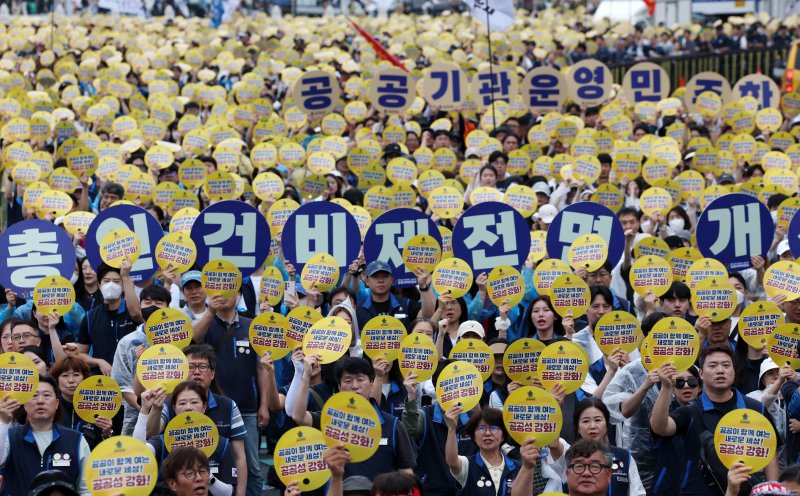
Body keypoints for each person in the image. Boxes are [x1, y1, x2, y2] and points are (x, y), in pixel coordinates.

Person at [651, 347, 780, 494]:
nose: (720, 370)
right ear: (701, 373)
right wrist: (666, 388)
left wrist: (772, 490)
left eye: (726, 365)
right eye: (712, 366)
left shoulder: (756, 409)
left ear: (734, 370)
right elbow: (660, 427)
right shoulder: (690, 411)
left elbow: (770, 455)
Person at [291, 356, 416, 480]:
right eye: (348, 381)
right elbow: (299, 416)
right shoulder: (329, 419)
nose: (355, 386)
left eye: (360, 379)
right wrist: (306, 376)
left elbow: (406, 473)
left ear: (371, 383)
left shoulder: (393, 425)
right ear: (339, 388)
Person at [192, 290, 268, 496]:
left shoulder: (251, 326)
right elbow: (192, 339)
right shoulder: (206, 323)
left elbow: (261, 367)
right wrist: (211, 311)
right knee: (211, 463)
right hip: (213, 407)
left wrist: (263, 405)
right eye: (218, 291)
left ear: (239, 295)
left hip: (247, 408)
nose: (223, 295)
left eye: (230, 290)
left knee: (252, 468)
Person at [135, 382, 237, 495]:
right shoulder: (163, 441)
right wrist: (144, 410)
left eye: (194, 402)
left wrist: (206, 477)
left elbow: (228, 492)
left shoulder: (221, 443)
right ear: (174, 408)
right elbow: (139, 454)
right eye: (182, 403)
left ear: (204, 407)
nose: (188, 408)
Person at [0, 376, 91, 494]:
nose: (40, 401)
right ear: (25, 405)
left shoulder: (76, 440)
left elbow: (86, 489)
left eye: (47, 395)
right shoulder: (10, 437)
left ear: (57, 404)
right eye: (34, 395)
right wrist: (3, 421)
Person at [549, 398, 645, 495]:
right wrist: (553, 409)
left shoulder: (624, 456)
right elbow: (553, 444)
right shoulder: (569, 455)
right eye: (586, 421)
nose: (592, 426)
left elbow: (637, 493)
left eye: (598, 420)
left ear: (607, 424)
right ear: (578, 427)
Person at [76, 260, 143, 376]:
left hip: (132, 377)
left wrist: (125, 277)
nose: (111, 285)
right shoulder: (90, 317)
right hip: (102, 382)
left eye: (116, 282)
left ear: (123, 286)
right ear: (99, 285)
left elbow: (137, 314)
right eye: (106, 281)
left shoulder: (131, 311)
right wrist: (99, 362)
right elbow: (81, 354)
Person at [444, 406, 527, 495]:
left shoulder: (518, 467)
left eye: (494, 428)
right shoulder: (467, 464)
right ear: (474, 437)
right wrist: (452, 428)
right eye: (481, 428)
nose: (487, 433)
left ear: (503, 436)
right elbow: (452, 462)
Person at [50, 356, 113, 449]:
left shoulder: (97, 407)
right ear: (56, 380)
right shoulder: (49, 406)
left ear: (85, 378)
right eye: (65, 375)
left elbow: (105, 449)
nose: (71, 380)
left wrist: (107, 433)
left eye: (76, 375)